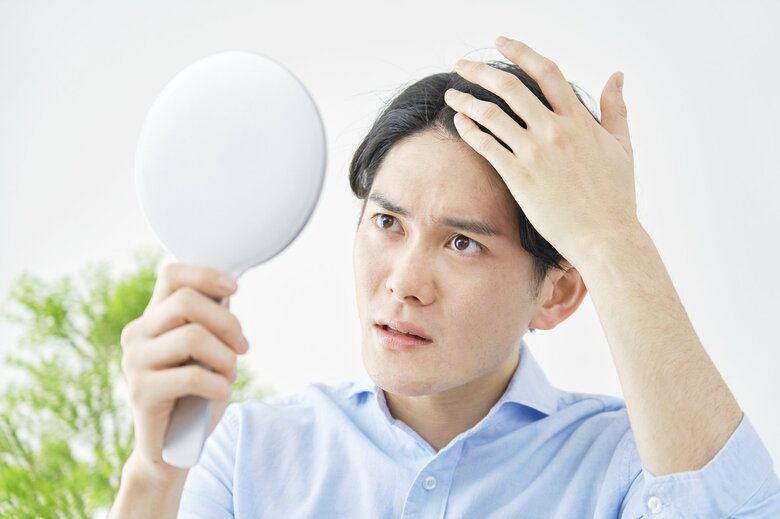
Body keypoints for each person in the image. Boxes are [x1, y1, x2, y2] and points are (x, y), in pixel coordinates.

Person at [109, 36, 780, 517]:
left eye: (463, 243)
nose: (404, 283)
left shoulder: (626, 467)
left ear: (559, 292)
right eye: (387, 222)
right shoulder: (246, 454)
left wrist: (612, 237)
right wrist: (153, 473)